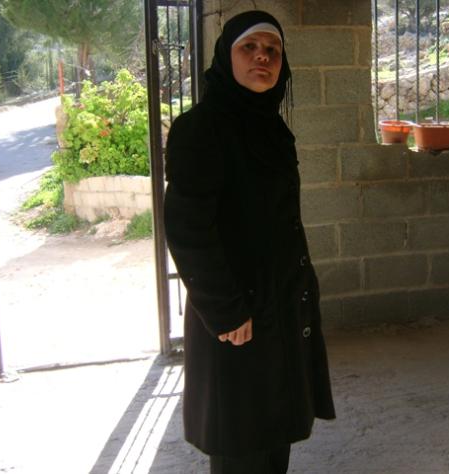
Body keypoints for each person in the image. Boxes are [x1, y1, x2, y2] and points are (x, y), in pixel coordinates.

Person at [163, 10, 335, 473]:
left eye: (273, 50)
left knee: (275, 428)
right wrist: (225, 309)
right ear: (227, 56)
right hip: (236, 310)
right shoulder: (201, 129)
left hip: (281, 302)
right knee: (240, 436)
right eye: (249, 47)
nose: (263, 57)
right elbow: (187, 229)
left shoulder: (273, 130)